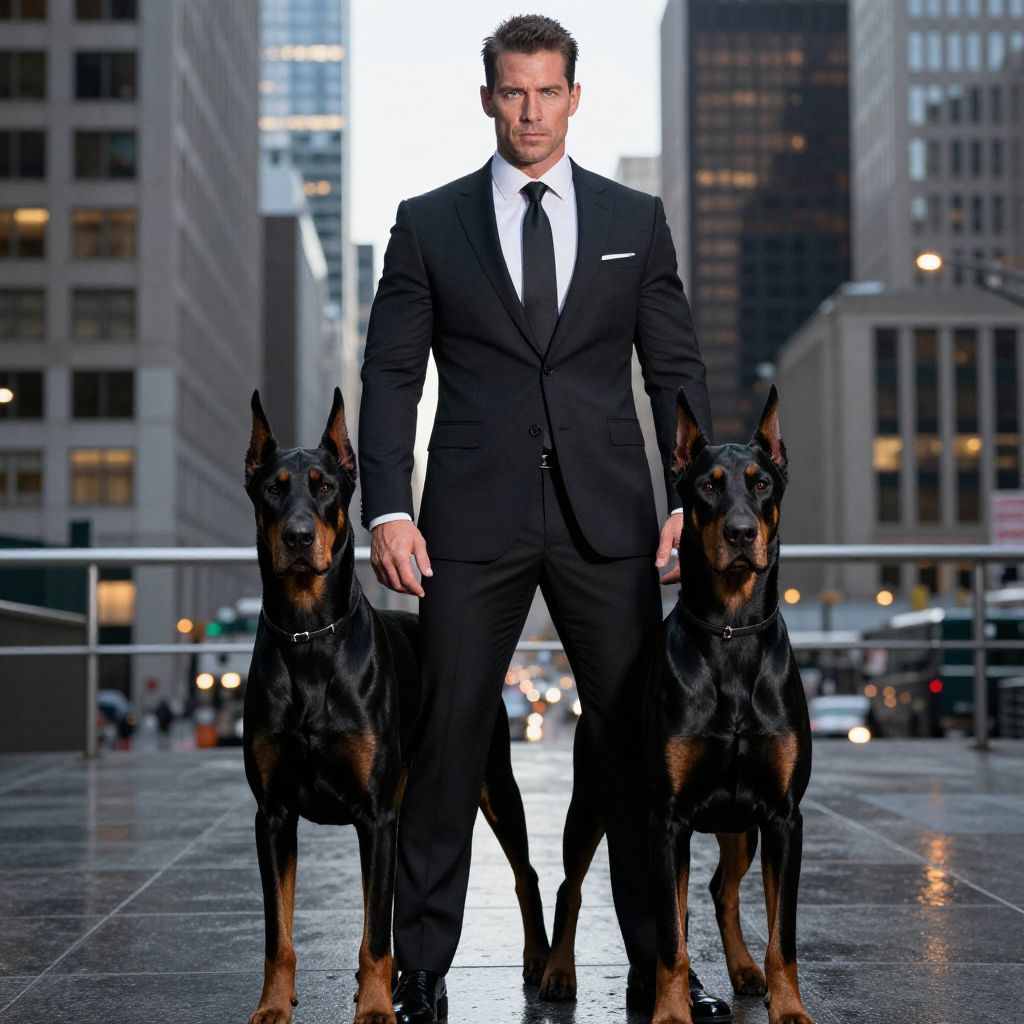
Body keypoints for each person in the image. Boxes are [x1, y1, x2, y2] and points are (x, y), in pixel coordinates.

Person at [358, 15, 727, 1022]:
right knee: (444, 743)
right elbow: (390, 373)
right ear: (487, 97)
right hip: (465, 524)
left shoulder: (634, 219)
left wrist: (691, 506)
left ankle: (664, 966)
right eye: (511, 92)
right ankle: (421, 971)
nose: (529, 111)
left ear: (574, 95)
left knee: (638, 750)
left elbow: (676, 374)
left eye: (546, 91)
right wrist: (386, 506)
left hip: (606, 520)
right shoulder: (428, 223)